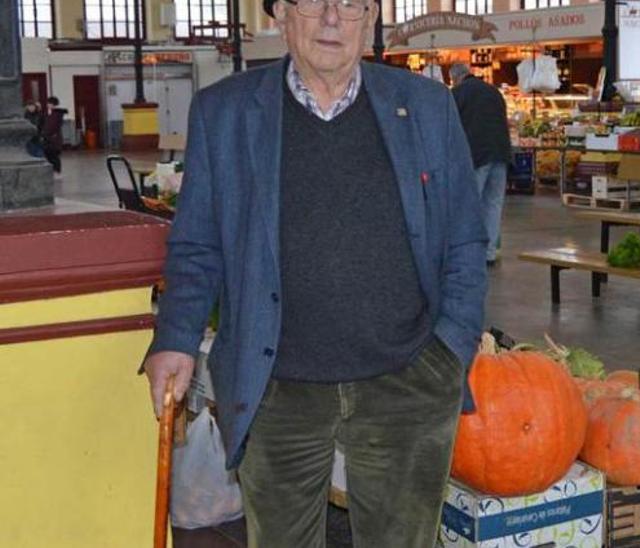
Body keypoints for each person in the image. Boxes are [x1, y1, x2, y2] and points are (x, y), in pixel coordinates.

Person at [140, 0, 488, 543]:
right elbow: (197, 244)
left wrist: (450, 349)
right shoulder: (223, 113)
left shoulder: (424, 106)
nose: (332, 18)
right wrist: (176, 338)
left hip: (407, 379)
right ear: (279, 15)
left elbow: (465, 236)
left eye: (351, 4)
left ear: (370, 19)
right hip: (277, 385)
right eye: (312, 1)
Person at [450, 62, 512, 265]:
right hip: (501, 152)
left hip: (476, 154)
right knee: (493, 204)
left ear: (456, 78)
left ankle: (468, 252)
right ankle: (489, 253)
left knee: (470, 204)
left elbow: (450, 123)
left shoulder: (459, 93)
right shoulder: (493, 91)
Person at [41, 97, 66, 173]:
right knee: (48, 155)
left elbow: (56, 125)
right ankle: (52, 170)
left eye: (50, 103)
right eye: (48, 103)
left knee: (54, 155)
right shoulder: (46, 113)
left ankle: (57, 170)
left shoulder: (58, 113)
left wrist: (51, 133)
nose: (48, 105)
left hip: (55, 138)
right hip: (47, 138)